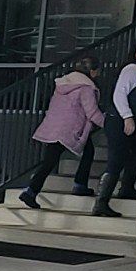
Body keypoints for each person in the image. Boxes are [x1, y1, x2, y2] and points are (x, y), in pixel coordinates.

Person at [20, 56, 104, 210]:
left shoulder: (63, 84)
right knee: (88, 152)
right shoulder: (86, 87)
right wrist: (109, 124)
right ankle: (79, 184)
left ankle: (31, 191)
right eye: (97, 71)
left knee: (49, 162)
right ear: (92, 71)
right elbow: (92, 112)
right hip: (72, 129)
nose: (98, 74)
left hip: (55, 127)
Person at [93, 37, 136, 219]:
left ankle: (126, 187)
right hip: (119, 119)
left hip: (128, 120)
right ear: (135, 51)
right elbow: (119, 94)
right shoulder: (132, 69)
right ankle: (101, 202)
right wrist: (128, 117)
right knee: (116, 159)